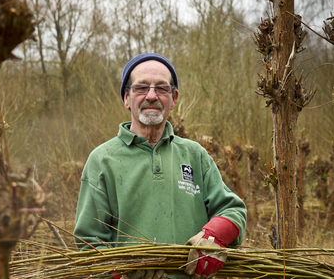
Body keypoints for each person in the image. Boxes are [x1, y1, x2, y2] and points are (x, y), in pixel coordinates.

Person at [74, 53, 247, 279]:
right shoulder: (102, 160)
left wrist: (214, 236)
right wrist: (122, 274)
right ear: (127, 98)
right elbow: (89, 242)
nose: (152, 96)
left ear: (173, 99)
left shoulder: (196, 155)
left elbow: (234, 211)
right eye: (141, 88)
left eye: (162, 89)